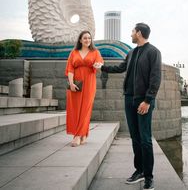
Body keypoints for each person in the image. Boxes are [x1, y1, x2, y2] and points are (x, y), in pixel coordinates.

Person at [101, 23, 162, 190]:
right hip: (129, 99)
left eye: (133, 31)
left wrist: (148, 101)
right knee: (135, 138)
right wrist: (102, 67)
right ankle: (139, 171)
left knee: (145, 139)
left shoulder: (153, 52)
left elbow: (155, 78)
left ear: (139, 33)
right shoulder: (131, 53)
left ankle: (149, 177)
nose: (131, 34)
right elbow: (121, 68)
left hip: (143, 101)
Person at [65, 30, 103, 146]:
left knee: (85, 109)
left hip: (89, 83)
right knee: (75, 109)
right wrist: (71, 84)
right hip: (76, 83)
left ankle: (77, 135)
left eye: (89, 38)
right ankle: (83, 134)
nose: (87, 40)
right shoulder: (74, 52)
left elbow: (100, 62)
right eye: (85, 38)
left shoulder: (95, 52)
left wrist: (98, 65)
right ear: (80, 40)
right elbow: (70, 69)